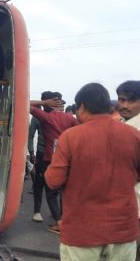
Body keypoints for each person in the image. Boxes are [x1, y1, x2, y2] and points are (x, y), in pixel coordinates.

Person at [45, 83, 140, 261]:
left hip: (83, 231)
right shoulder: (133, 135)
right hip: (123, 230)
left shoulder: (70, 137)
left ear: (81, 107)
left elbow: (53, 180)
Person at [30, 91, 77, 234]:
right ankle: (66, 219)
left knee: (50, 192)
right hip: (68, 159)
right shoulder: (70, 119)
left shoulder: (46, 118)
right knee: (65, 191)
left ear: (50, 104)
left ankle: (59, 223)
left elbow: (23, 103)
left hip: (50, 159)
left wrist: (43, 103)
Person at [28, 106, 45, 222]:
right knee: (39, 184)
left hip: (58, 154)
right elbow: (31, 136)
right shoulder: (37, 118)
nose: (59, 105)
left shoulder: (63, 118)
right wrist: (31, 152)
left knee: (55, 188)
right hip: (41, 154)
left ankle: (59, 215)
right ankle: (37, 211)